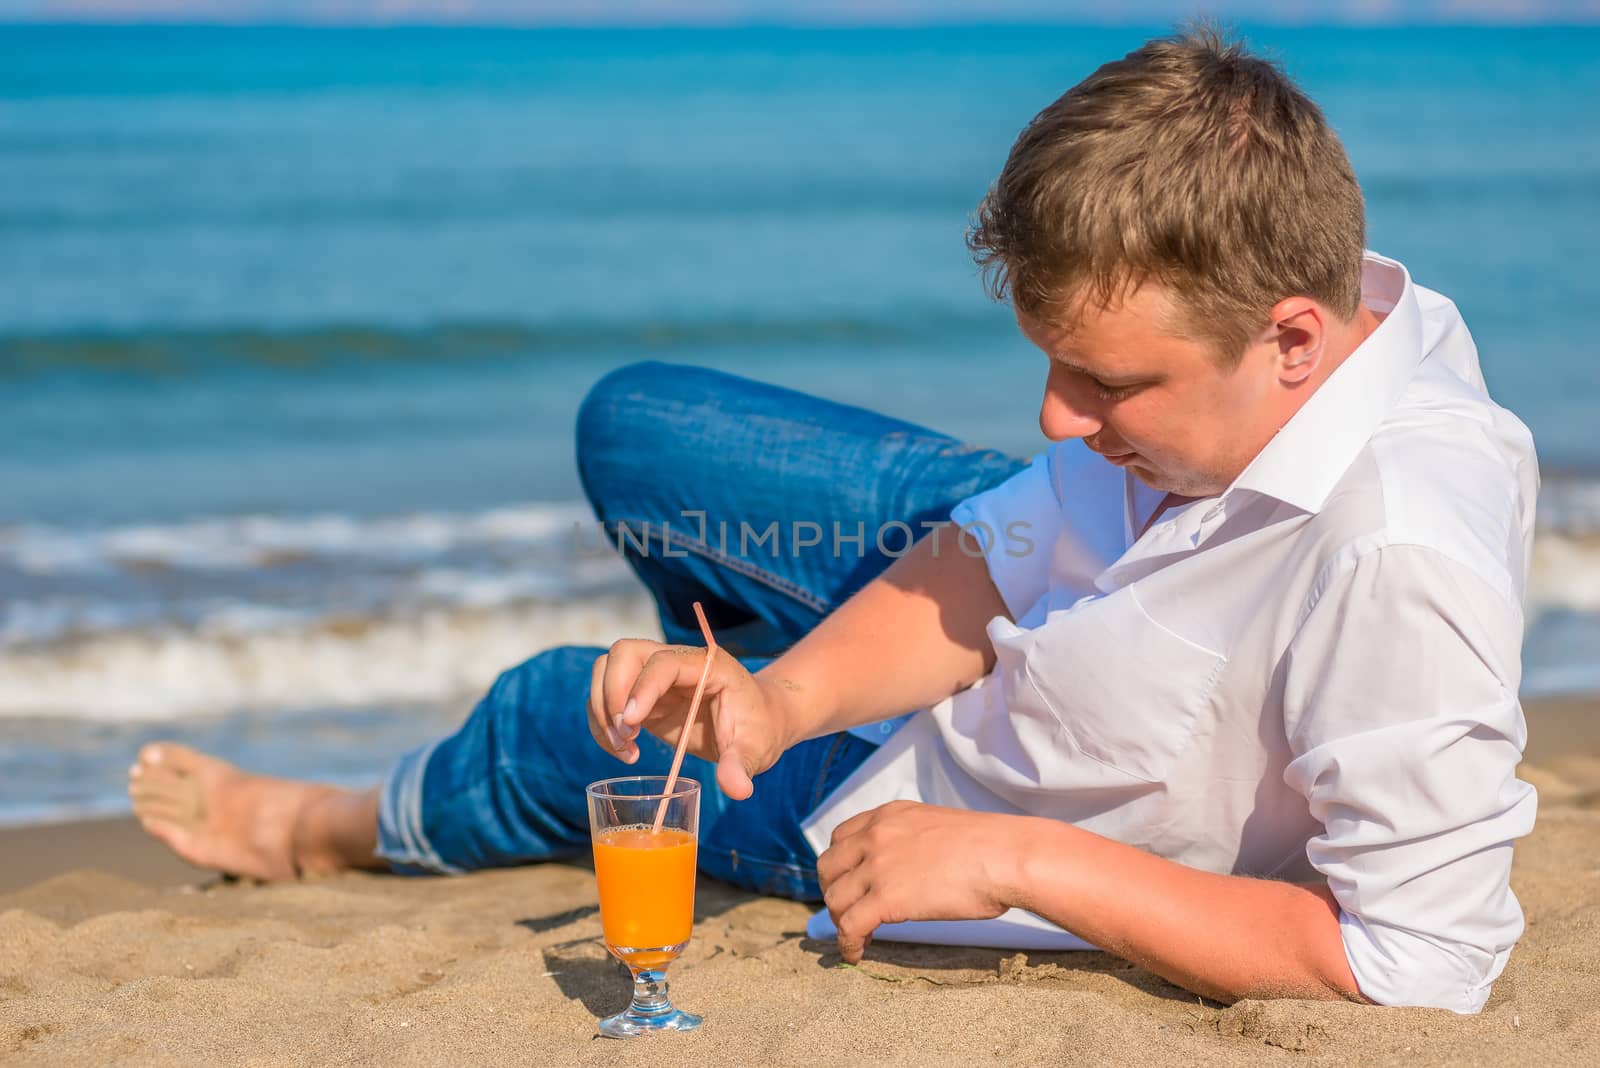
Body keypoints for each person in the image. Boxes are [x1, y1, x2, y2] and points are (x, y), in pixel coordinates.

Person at [128, 26, 1537, 1014]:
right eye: (1050, 363)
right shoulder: (1286, 352)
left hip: (982, 790)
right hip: (1077, 600)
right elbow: (1010, 539)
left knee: (560, 722)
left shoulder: (1394, 557)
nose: (1055, 414)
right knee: (640, 431)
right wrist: (778, 699)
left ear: (1293, 338)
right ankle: (758, 679)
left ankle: (326, 824)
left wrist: (1011, 855)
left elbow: (1411, 965)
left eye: (1104, 381)